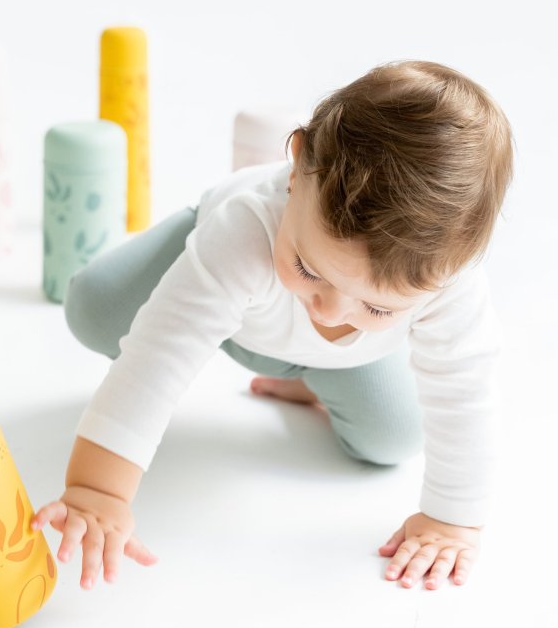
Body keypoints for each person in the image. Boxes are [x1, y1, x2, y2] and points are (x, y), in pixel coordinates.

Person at [31, 60, 514, 592]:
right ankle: (258, 322)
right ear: (296, 167)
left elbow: (464, 393)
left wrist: (452, 520)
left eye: (378, 310)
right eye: (308, 268)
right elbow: (159, 356)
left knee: (393, 438)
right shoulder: (243, 230)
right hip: (208, 280)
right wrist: (99, 492)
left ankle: (305, 377)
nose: (330, 312)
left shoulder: (448, 283)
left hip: (322, 353)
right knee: (94, 310)